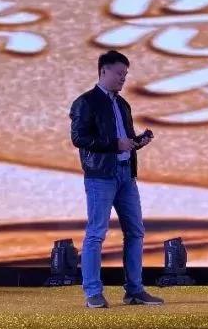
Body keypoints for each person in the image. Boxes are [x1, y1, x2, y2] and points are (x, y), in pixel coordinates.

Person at [70, 50, 164, 308]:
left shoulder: (123, 104)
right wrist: (115, 144)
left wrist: (137, 142)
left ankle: (134, 290)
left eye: (125, 74)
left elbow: (126, 140)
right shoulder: (85, 102)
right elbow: (79, 138)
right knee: (96, 233)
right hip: (101, 176)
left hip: (126, 175)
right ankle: (92, 292)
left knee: (135, 232)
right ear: (103, 71)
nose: (123, 78)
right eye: (119, 73)